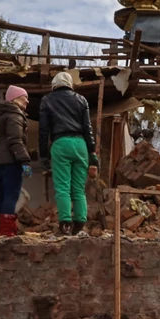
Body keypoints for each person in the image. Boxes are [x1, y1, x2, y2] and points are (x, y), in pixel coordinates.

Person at [39, 72, 98, 236]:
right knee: (79, 189)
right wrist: (92, 151)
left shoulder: (47, 100)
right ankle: (79, 225)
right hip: (80, 145)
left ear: (54, 84)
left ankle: (65, 225)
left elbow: (43, 130)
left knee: (62, 188)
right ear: (70, 84)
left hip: (61, 144)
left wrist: (43, 155)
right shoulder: (81, 100)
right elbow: (88, 128)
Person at [0, 85, 32, 237]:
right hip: (11, 161)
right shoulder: (14, 115)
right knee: (11, 196)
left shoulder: (1, 116)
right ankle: (7, 233)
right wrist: (24, 161)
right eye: (24, 97)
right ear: (15, 99)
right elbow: (15, 140)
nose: (27, 101)